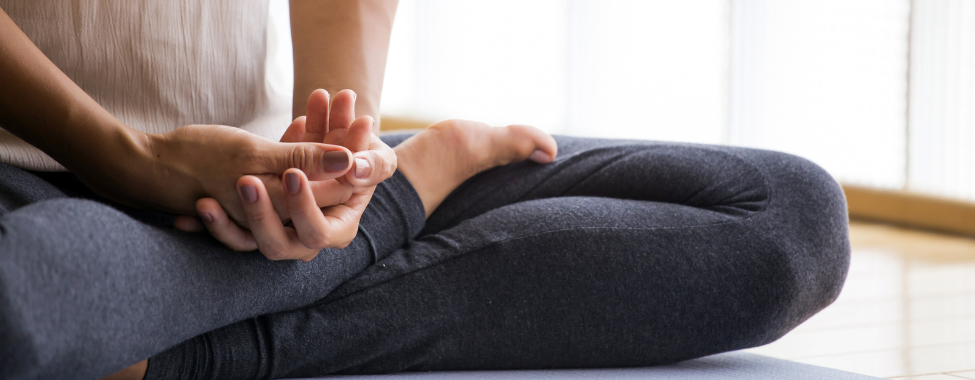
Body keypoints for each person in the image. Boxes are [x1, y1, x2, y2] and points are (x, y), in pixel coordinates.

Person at [0, 1, 852, 380]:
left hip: (255, 167)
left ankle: (151, 344)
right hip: (23, 173)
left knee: (789, 216)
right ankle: (411, 200)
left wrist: (341, 169)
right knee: (15, 302)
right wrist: (126, 156)